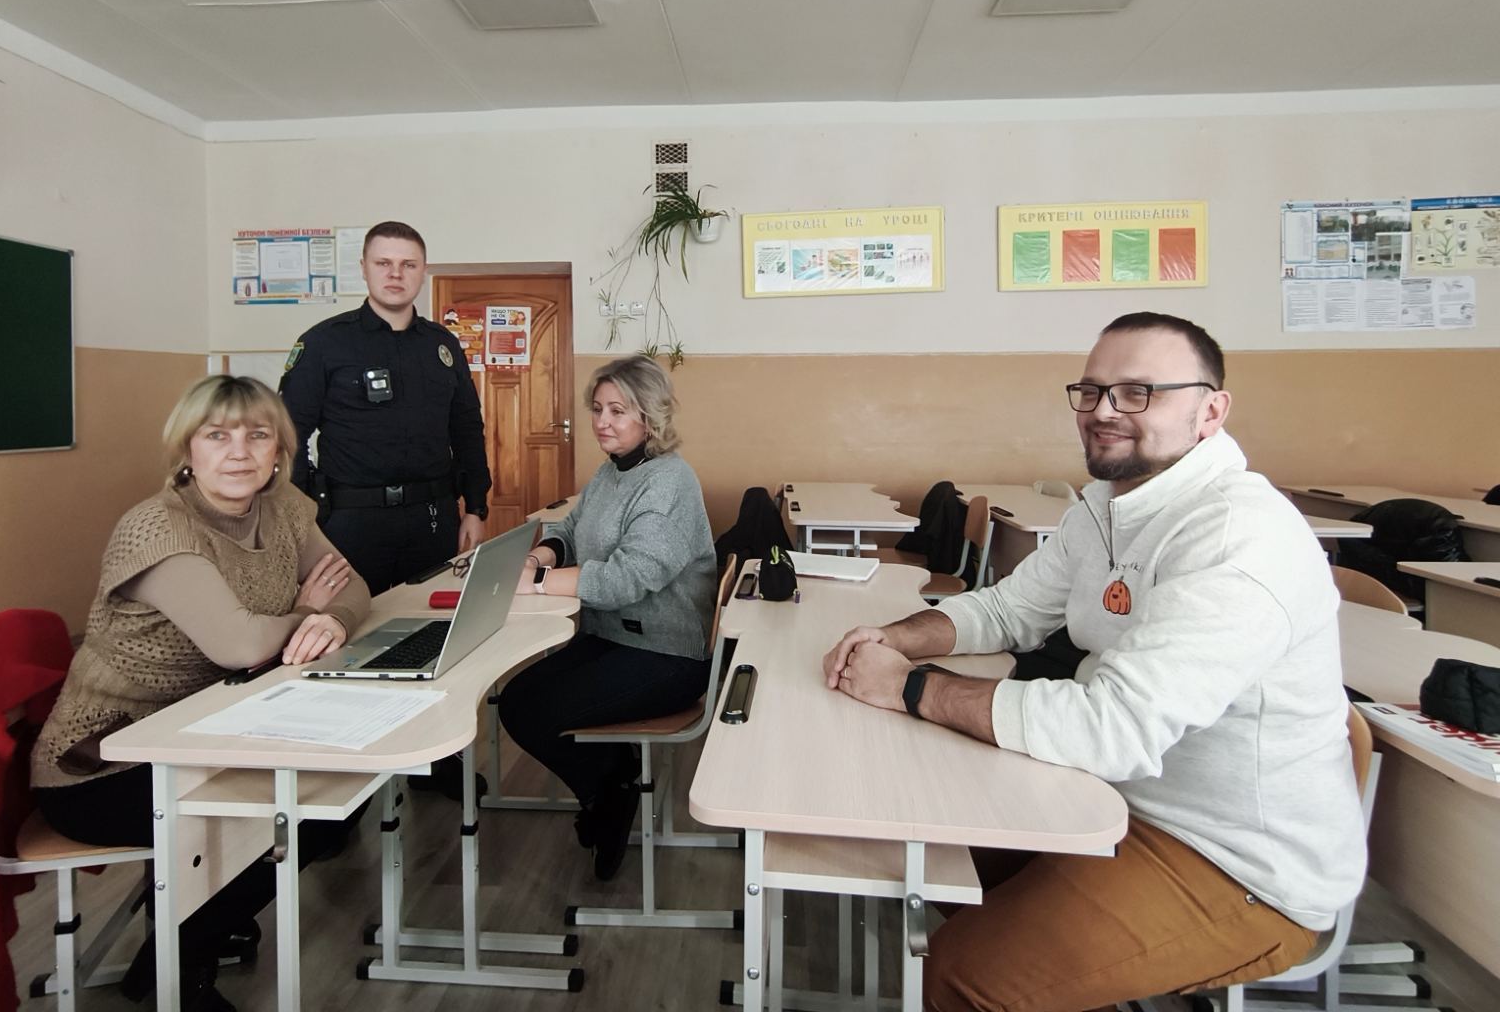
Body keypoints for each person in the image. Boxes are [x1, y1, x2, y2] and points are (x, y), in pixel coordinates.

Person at [823, 312, 1366, 1012]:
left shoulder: (1238, 538)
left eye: (1139, 392)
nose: (1105, 411)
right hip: (1110, 797)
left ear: (1211, 411)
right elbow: (1009, 609)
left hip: (1235, 863)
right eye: (1092, 391)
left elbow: (1113, 728)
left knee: (963, 977)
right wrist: (896, 638)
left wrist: (911, 689)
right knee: (923, 837)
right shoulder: (1108, 505)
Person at [31, 375, 370, 1012]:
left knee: (335, 799)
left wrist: (334, 619)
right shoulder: (158, 529)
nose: (239, 452)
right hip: (102, 763)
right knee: (294, 814)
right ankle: (178, 970)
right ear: (187, 450)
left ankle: (185, 942)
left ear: (280, 450)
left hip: (206, 730)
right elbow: (239, 645)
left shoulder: (283, 506)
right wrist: (307, 612)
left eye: (257, 435)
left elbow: (353, 586)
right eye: (217, 436)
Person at [498, 356, 717, 880]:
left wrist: (536, 584)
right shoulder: (611, 471)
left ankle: (611, 790)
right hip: (613, 636)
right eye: (597, 409)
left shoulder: (668, 482)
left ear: (650, 416)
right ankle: (611, 779)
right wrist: (539, 558)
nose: (602, 422)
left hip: (668, 654)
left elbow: (626, 578)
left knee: (530, 711)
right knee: (518, 700)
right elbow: (570, 530)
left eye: (618, 411)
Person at [279, 219, 490, 596]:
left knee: (431, 619)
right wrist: (304, 515)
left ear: (423, 272)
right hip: (349, 521)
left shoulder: (441, 345)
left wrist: (475, 508)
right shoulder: (324, 344)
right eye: (383, 263)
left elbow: (467, 430)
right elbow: (287, 434)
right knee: (350, 622)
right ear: (364, 268)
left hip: (432, 518)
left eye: (408, 264)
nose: (396, 274)